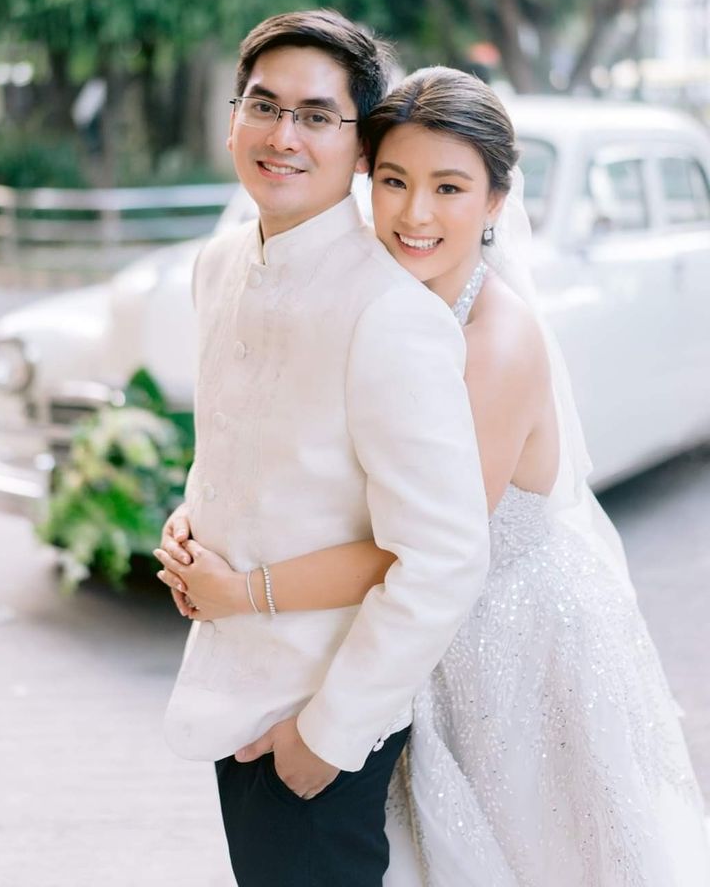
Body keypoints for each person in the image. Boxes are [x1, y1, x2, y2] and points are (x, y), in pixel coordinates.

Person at [158, 66, 710, 887]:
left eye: (449, 188)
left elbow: (423, 552)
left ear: (493, 202)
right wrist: (203, 513)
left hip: (513, 644)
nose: (415, 215)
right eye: (393, 181)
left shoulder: (494, 341)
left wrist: (245, 589)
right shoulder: (370, 302)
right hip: (402, 642)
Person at [157, 17, 491, 887]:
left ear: (357, 144)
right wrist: (190, 520)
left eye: (316, 115)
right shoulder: (221, 262)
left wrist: (326, 736)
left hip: (317, 711)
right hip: (231, 685)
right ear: (234, 119)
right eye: (263, 106)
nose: (282, 136)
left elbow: (446, 556)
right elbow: (243, 444)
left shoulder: (390, 317)